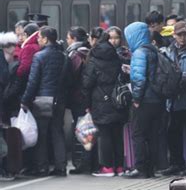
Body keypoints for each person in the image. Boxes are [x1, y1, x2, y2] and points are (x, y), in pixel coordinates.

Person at [21, 26, 67, 177]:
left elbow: (33, 82)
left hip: (42, 99)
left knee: (42, 135)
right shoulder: (63, 56)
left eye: (40, 37)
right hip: (59, 99)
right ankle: (61, 167)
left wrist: (25, 100)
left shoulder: (39, 57)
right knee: (57, 133)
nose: (38, 40)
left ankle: (42, 167)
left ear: (46, 39)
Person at [123, 22, 167, 178]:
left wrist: (136, 98)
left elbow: (139, 79)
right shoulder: (153, 50)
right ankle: (151, 168)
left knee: (138, 134)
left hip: (144, 100)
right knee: (153, 134)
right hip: (158, 99)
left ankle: (140, 168)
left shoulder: (139, 53)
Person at [159, 21, 186, 177]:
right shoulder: (169, 50)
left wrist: (174, 81)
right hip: (172, 99)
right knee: (173, 132)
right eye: (179, 35)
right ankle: (176, 163)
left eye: (185, 34)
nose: (182, 38)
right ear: (174, 35)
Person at [83, 28, 127, 176]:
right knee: (117, 134)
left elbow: (87, 83)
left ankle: (107, 167)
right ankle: (120, 167)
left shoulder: (94, 58)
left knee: (105, 134)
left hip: (100, 100)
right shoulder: (115, 55)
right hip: (117, 98)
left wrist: (86, 104)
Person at [65, 26, 92, 175]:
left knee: (82, 131)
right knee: (88, 130)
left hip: (78, 99)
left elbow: (71, 78)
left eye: (68, 38)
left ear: (74, 39)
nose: (67, 41)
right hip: (87, 98)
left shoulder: (75, 55)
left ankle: (83, 164)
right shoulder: (89, 52)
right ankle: (89, 162)